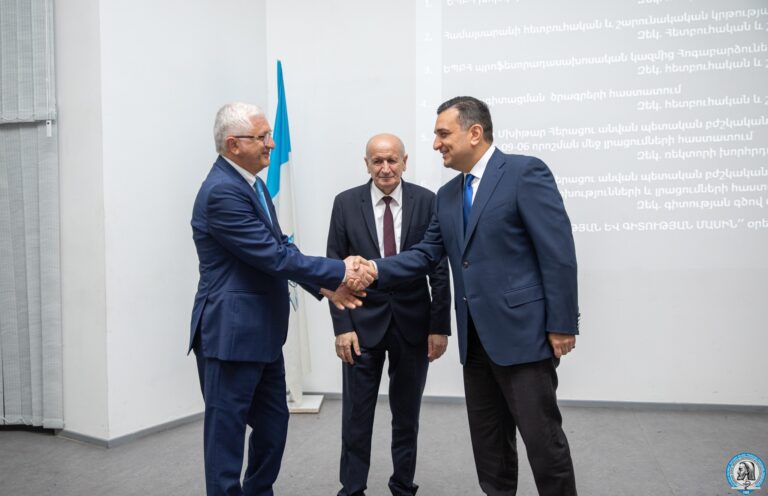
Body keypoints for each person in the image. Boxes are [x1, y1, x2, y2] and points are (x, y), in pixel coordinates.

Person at [367, 97, 580, 495]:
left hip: (523, 337)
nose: (436, 144)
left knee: (543, 442)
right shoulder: (448, 194)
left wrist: (563, 324)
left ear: (475, 132)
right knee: (489, 448)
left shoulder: (524, 173)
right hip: (476, 342)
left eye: (443, 134)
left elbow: (558, 254)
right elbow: (426, 254)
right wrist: (374, 269)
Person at [189, 102, 371, 496]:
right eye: (262, 137)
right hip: (231, 336)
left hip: (264, 334)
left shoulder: (250, 185)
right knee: (226, 437)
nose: (271, 144)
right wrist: (340, 270)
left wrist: (323, 285)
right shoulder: (222, 192)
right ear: (234, 144)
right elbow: (271, 255)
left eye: (270, 135)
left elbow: (279, 245)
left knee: (273, 426)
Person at [325, 134, 451, 496]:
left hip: (413, 324)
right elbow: (333, 270)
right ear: (366, 164)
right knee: (356, 416)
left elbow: (438, 269)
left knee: (407, 415)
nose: (385, 168)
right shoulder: (345, 203)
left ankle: (403, 486)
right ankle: (352, 489)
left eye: (392, 160)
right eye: (377, 161)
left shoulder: (427, 201)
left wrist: (439, 326)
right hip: (360, 324)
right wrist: (341, 327)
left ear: (405, 161)